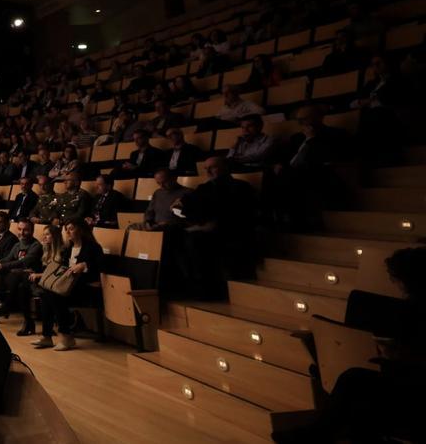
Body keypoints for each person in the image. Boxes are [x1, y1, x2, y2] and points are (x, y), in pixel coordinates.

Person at [274, 247, 426, 444]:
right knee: (327, 371)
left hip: (415, 385)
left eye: (397, 279)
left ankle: (317, 434)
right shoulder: (408, 308)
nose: (395, 284)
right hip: (403, 375)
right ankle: (330, 432)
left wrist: (398, 356)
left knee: (353, 379)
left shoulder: (417, 311)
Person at [174, 156, 259, 298]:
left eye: (213, 167)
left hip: (229, 230)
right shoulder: (205, 187)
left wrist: (204, 225)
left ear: (225, 168)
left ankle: (208, 290)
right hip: (203, 226)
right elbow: (189, 204)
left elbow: (233, 214)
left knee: (194, 240)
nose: (208, 171)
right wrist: (181, 204)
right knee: (172, 234)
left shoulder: (240, 187)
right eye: (206, 169)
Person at [32, 221, 104, 350]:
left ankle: (66, 336)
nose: (68, 232)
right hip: (70, 286)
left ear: (81, 230)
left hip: (87, 288)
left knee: (55, 295)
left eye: (71, 229)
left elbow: (102, 267)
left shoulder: (93, 247)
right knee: (46, 293)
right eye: (66, 229)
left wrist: (84, 265)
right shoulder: (68, 248)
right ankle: (47, 337)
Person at [0, 217, 43, 314]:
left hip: (29, 274)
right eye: (19, 229)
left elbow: (23, 262)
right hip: (16, 272)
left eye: (25, 230)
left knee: (7, 273)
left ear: (32, 231)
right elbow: (8, 259)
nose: (22, 233)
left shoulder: (36, 245)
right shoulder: (17, 245)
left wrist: (2, 266)